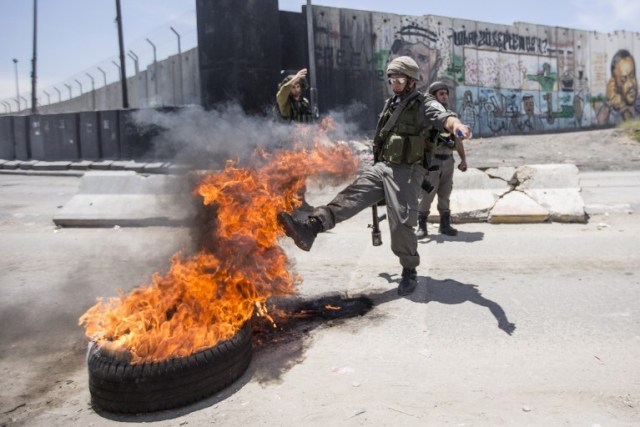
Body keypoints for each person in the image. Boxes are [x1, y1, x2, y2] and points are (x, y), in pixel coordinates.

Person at [277, 56, 471, 297]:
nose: (395, 83)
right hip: (384, 167)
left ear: (411, 81)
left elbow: (445, 119)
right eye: (392, 79)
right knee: (351, 196)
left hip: (408, 172)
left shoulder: (424, 104)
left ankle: (409, 270)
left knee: (401, 224)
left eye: (400, 79)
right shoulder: (392, 104)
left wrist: (458, 127)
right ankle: (311, 227)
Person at [416, 81, 468, 238]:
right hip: (432, 162)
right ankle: (422, 225)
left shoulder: (452, 117)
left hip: (448, 161)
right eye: (441, 94)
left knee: (445, 194)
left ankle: (445, 225)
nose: (445, 96)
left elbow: (458, 140)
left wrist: (463, 159)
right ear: (434, 97)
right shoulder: (429, 117)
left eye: (446, 93)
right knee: (427, 195)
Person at [597, 49, 638, 125]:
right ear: (614, 82)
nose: (631, 84)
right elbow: (599, 125)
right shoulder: (611, 107)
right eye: (623, 79)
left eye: (632, 76)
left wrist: (622, 107)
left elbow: (634, 128)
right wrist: (608, 102)